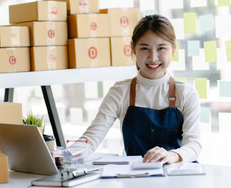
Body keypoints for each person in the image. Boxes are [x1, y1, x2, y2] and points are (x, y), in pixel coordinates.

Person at [70, 14, 202, 164]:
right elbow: (92, 138)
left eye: (161, 48)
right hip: (134, 177)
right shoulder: (120, 91)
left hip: (176, 177)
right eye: (145, 48)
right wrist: (66, 155)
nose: (153, 58)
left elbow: (194, 144)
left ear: (173, 48)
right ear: (132, 48)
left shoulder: (186, 93)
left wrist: (172, 156)